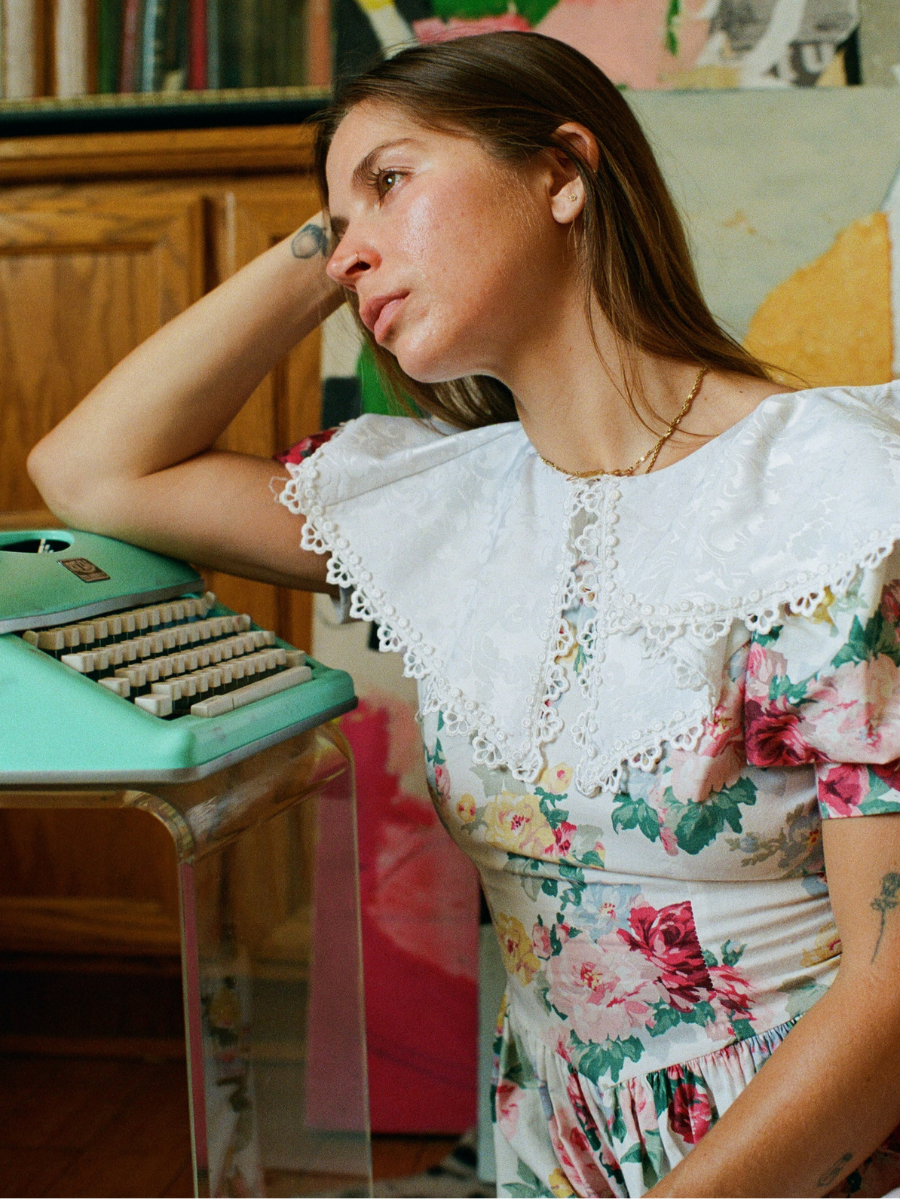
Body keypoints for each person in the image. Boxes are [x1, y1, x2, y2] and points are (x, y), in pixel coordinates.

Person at [27, 32, 900, 1199]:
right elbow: (93, 471)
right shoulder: (442, 505)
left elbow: (894, 993)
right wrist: (332, 240)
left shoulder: (829, 497)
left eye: (393, 180)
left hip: (803, 1159)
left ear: (561, 172)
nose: (350, 256)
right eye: (335, 224)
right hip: (554, 1150)